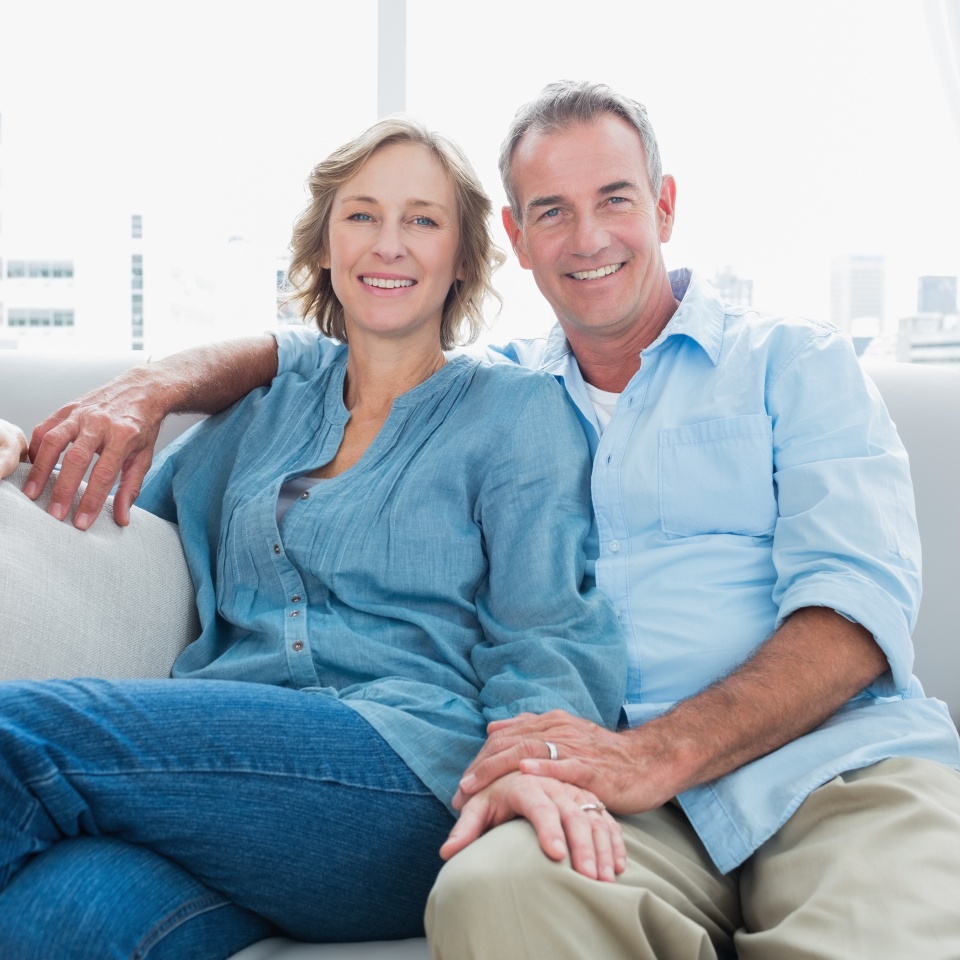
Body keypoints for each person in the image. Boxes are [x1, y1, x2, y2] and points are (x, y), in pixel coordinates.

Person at [11, 80, 960, 957]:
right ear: (515, 236)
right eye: (552, 211)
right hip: (597, 790)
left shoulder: (768, 367)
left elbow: (841, 609)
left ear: (664, 206)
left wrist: (615, 753)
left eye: (615, 199)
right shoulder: (477, 384)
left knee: (21, 733)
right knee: (54, 914)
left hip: (810, 764)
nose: (586, 237)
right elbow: (147, 496)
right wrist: (103, 413)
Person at [0, 114, 628, 959]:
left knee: (18, 733)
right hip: (228, 791)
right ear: (327, 245)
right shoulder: (260, 413)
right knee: (50, 920)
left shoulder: (516, 413)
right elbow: (114, 519)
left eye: (422, 220)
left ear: (463, 257)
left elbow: (545, 626)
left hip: (409, 777)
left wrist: (535, 767)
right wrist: (21, 455)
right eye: (362, 215)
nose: (388, 243)